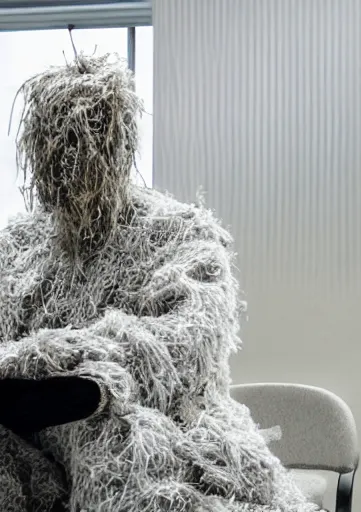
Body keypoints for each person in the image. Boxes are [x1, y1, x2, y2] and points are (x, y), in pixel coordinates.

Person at [0, 54, 322, 512]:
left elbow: (187, 338)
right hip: (32, 443)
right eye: (57, 142)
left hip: (161, 433)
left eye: (86, 141)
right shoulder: (18, 247)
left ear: (120, 145)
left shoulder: (180, 234)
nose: (68, 160)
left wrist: (88, 369)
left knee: (121, 455)